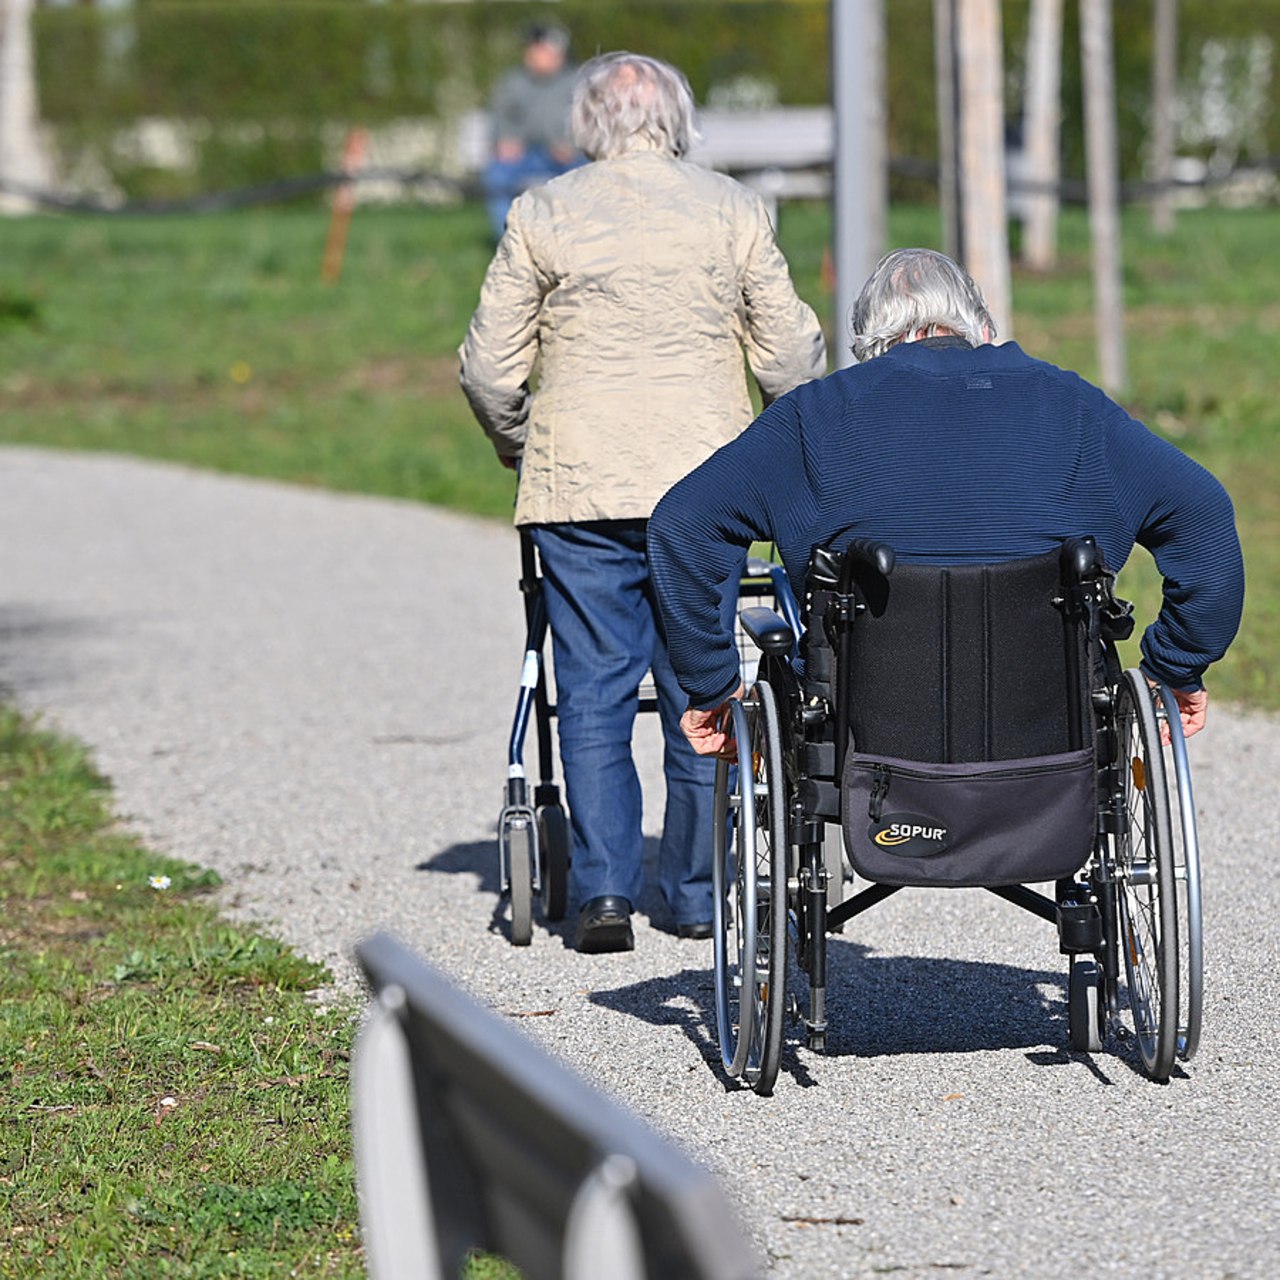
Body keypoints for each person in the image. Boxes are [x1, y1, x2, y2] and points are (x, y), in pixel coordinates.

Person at [459, 52, 826, 952]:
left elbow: (488, 368)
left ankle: (603, 895)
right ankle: (696, 893)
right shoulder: (731, 209)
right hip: (705, 486)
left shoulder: (544, 210)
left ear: (587, 124)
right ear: (678, 119)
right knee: (703, 681)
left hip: (579, 483)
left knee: (589, 690)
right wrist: (774, 451)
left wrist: (519, 443)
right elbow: (787, 358)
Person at [648, 247, 1244, 758]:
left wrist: (713, 685)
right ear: (981, 327)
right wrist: (1173, 666)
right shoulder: (1073, 406)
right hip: (1053, 737)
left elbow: (682, 524)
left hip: (862, 740)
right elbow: (1205, 517)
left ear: (867, 348)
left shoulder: (814, 417)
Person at [481, 24, 581, 242]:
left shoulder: (579, 82)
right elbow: (499, 118)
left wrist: (572, 144)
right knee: (497, 176)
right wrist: (504, 141)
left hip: (566, 156)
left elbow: (592, 123)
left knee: (585, 177)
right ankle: (508, 241)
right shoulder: (512, 81)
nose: (540, 56)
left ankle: (575, 242)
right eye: (536, 50)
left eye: (546, 51)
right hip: (524, 154)